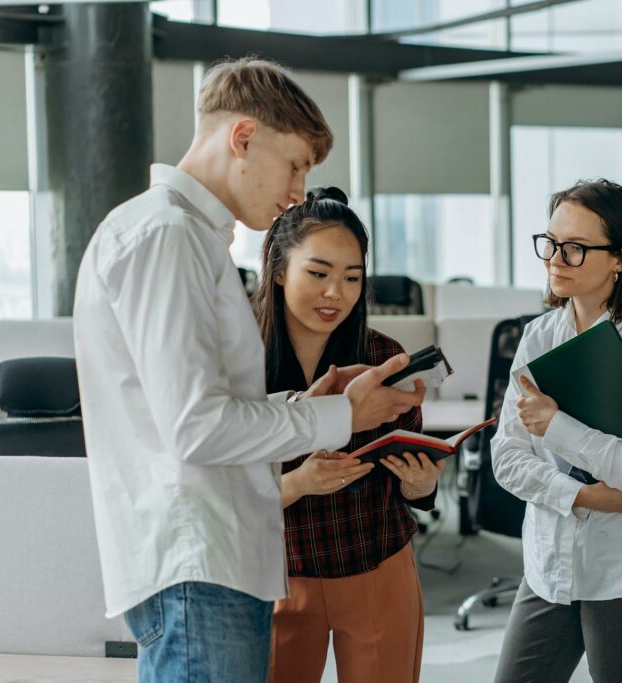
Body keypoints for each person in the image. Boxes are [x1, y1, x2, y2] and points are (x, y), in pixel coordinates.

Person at [72, 58, 424, 683]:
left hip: (214, 561)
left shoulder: (188, 238)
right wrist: (341, 415)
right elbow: (196, 427)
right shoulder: (166, 237)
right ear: (242, 138)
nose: (296, 192)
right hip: (199, 564)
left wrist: (304, 403)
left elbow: (200, 406)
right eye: (294, 165)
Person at [490, 179, 622, 683]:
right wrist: (582, 495)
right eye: (551, 243)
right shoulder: (539, 336)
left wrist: (556, 426)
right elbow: (507, 457)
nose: (556, 258)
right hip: (549, 563)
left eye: (576, 248)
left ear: (621, 258)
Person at [258, 187, 441, 683]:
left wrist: (420, 485)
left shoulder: (384, 356)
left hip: (376, 565)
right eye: (318, 274)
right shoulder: (242, 361)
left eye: (352, 277)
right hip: (276, 575)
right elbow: (216, 487)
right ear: (278, 271)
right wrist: (298, 483)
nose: (335, 293)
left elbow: (413, 471)